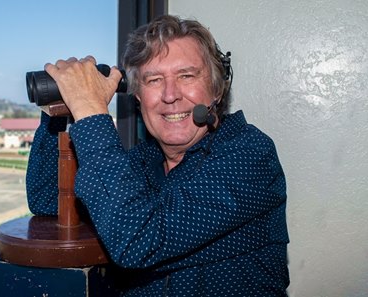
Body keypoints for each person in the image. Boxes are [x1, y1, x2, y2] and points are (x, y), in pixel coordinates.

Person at [26, 15, 289, 297]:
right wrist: (62, 107)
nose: (170, 95)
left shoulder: (249, 155)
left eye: (187, 75)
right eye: (153, 80)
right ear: (138, 97)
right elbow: (47, 201)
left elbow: (138, 239)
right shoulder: (141, 163)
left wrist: (90, 113)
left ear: (217, 88)